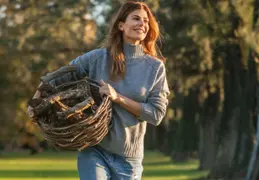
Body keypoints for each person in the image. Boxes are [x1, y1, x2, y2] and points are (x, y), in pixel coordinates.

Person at [29, 1, 169, 179]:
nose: (142, 24)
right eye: (136, 19)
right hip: (94, 149)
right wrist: (35, 101)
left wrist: (117, 97)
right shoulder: (98, 58)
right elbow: (58, 76)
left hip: (129, 159)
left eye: (146, 21)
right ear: (121, 25)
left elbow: (156, 114)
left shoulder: (155, 67)